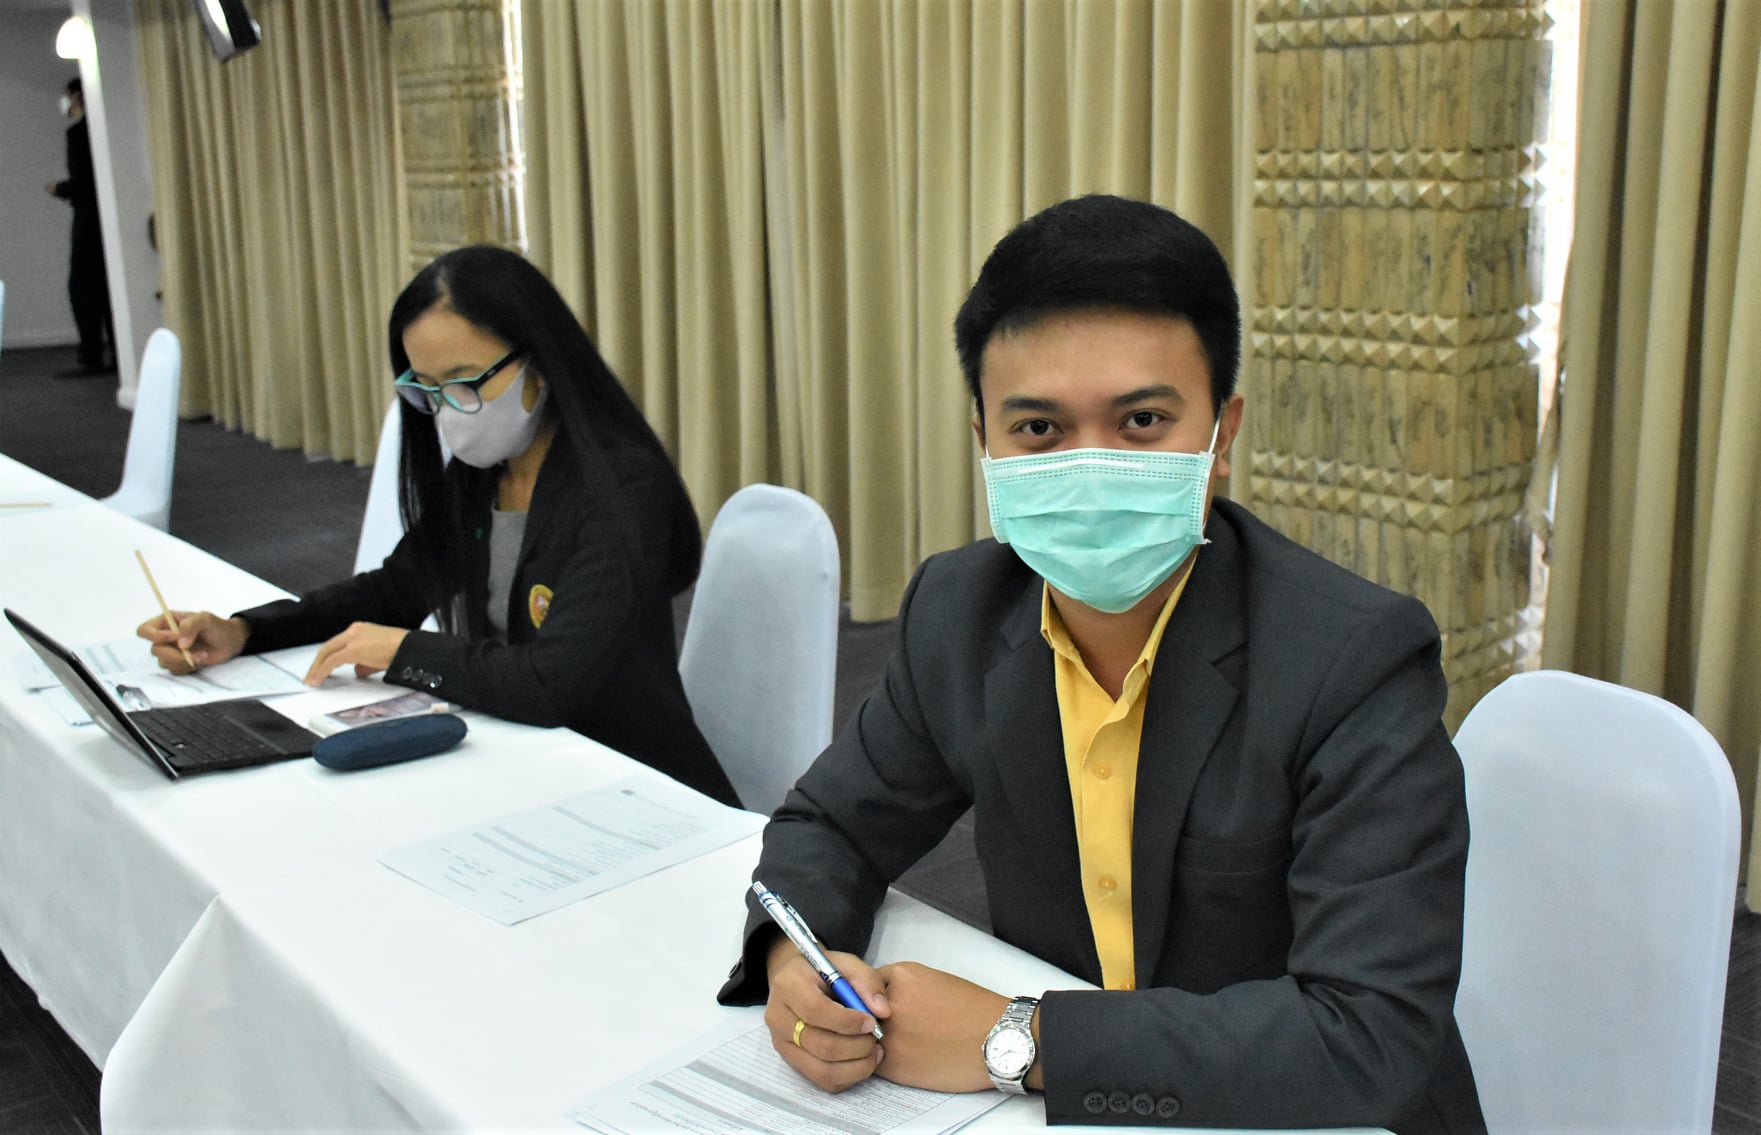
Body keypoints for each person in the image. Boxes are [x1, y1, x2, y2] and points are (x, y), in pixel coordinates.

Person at [718, 196, 1485, 1132]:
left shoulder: (1351, 658)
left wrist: (1019, 1038)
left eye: (1141, 420)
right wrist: (796, 960)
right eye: (1039, 430)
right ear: (985, 442)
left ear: (1222, 434)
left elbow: (1368, 1032)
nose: (1090, 469)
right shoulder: (959, 610)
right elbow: (832, 824)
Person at [137, 246, 738, 806]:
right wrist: (245, 631)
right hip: (521, 757)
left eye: (466, 382)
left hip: (632, 780)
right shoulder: (484, 473)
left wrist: (402, 649)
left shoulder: (621, 487)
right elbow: (395, 590)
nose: (450, 410)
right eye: (428, 389)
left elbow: (551, 685)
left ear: (539, 363)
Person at [46, 77, 115, 377]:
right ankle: (119, 355)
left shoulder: (78, 134)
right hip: (107, 218)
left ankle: (91, 355)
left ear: (76, 97)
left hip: (88, 220)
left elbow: (84, 183)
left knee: (82, 289)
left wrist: (59, 189)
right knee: (107, 288)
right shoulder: (107, 127)